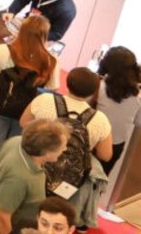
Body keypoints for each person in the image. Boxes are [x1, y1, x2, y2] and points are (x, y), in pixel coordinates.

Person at [0, 15, 61, 202]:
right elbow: (52, 88)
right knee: (15, 153)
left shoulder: (5, 50)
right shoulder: (51, 60)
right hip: (28, 114)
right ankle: (3, 191)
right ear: (45, 35)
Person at [20, 67, 113, 223]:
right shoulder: (100, 119)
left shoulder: (45, 100)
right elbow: (106, 155)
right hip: (69, 179)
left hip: (36, 164)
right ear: (93, 91)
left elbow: (24, 123)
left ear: (68, 82)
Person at [0, 119, 70, 234]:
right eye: (62, 147)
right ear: (46, 153)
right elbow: (0, 215)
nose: (65, 149)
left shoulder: (16, 142)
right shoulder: (20, 178)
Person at [96, 46, 141, 174]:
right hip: (116, 145)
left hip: (93, 139)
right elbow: (138, 122)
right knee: (100, 180)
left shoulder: (98, 86)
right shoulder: (137, 95)